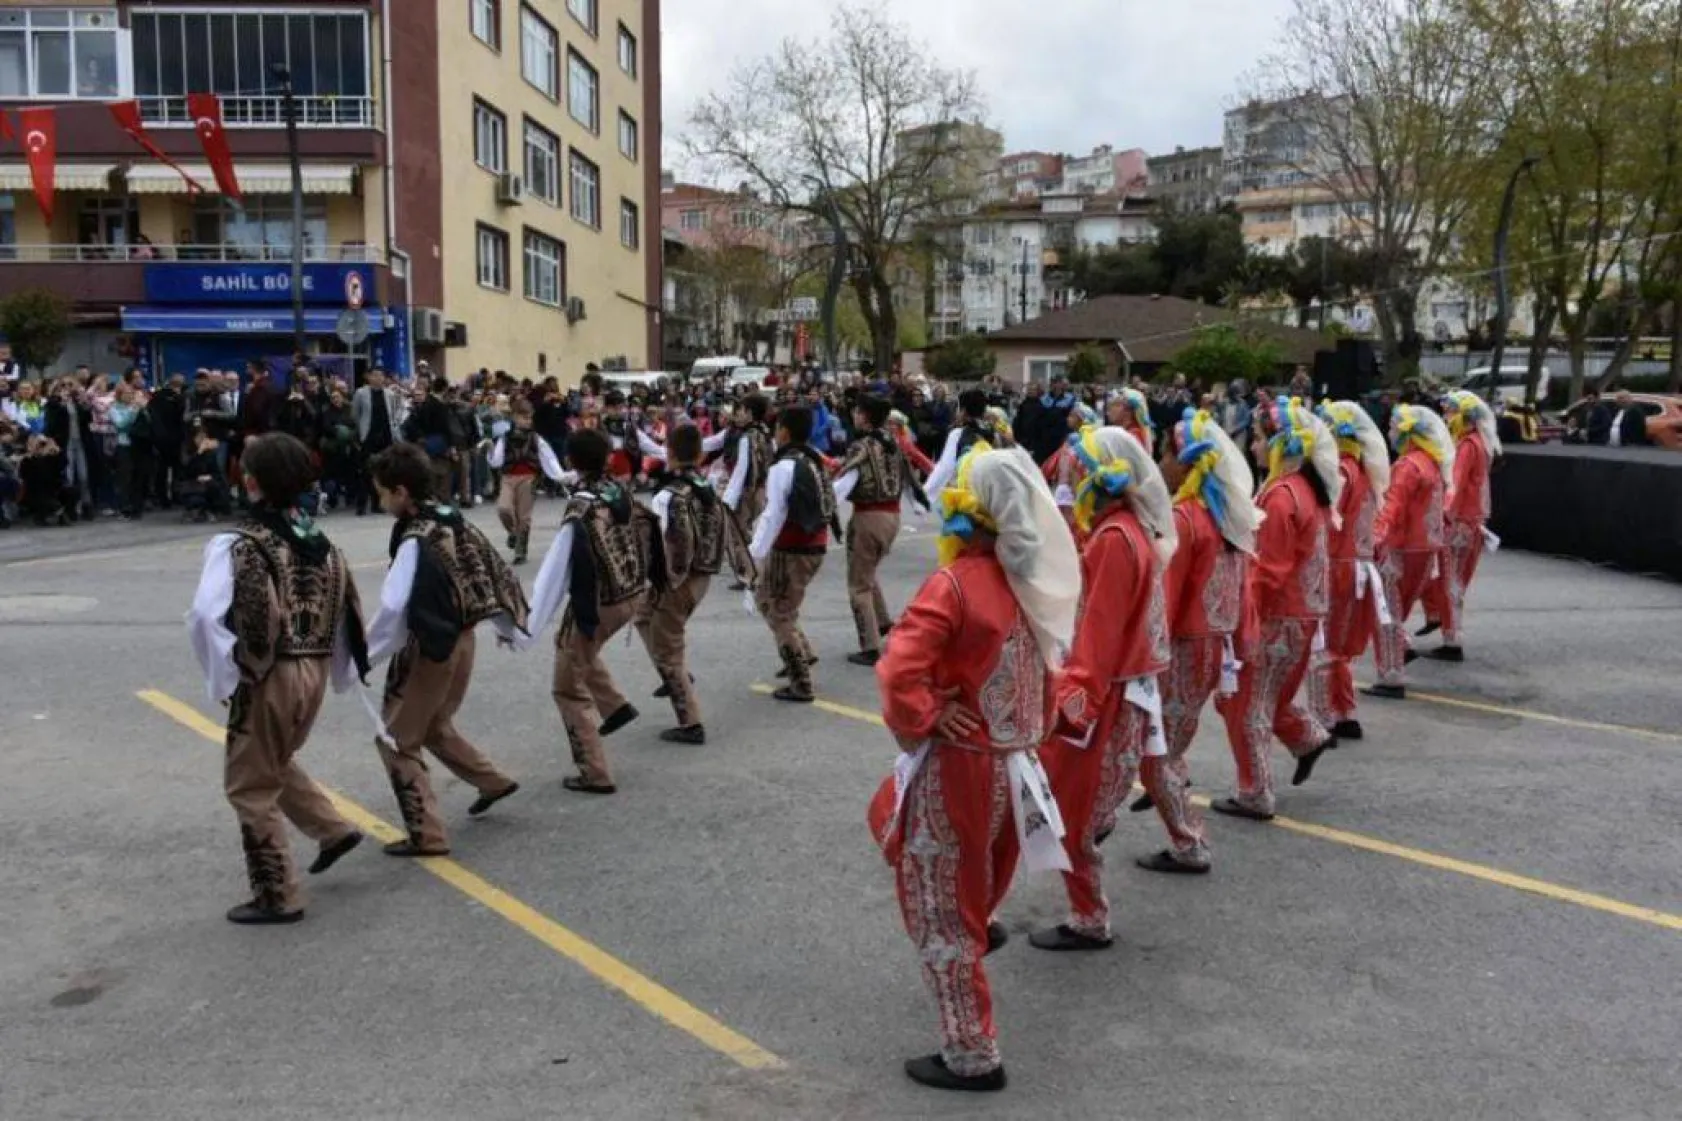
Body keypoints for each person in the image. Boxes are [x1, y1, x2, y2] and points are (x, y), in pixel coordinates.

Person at [865, 445, 1080, 1093]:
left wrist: (927, 710)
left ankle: (971, 1049)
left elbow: (899, 669)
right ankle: (974, 963)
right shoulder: (1030, 579)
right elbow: (1053, 671)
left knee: (939, 905)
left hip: (961, 765)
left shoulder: (956, 583)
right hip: (1014, 764)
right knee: (973, 881)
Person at [185, 433, 369, 924]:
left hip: (269, 671)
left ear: (250, 481)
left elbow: (206, 616)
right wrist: (341, 672)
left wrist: (228, 677)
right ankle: (332, 829)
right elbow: (349, 611)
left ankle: (277, 893)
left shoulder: (238, 542)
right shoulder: (324, 544)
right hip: (313, 669)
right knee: (273, 759)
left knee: (249, 783)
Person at [1034, 427, 1175, 950]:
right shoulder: (1127, 527)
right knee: (1078, 809)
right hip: (1125, 687)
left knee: (1071, 811)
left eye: (1077, 468)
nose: (1069, 477)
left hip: (1108, 694)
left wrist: (1070, 707)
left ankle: (1089, 917)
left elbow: (1099, 634)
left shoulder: (1115, 539)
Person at [365, 443, 529, 856]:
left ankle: (427, 834)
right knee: (435, 724)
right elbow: (491, 568)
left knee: (396, 739)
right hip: (465, 638)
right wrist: (507, 624)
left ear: (401, 492)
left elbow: (393, 608)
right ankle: (492, 780)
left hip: (431, 646)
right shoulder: (451, 518)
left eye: (382, 492)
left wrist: (360, 656)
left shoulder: (414, 538)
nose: (380, 499)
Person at [1131, 408, 1262, 874]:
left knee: (1156, 750)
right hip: (1214, 645)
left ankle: (1188, 841)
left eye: (1166, 454)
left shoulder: (1187, 519)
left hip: (1184, 646)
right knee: (1167, 746)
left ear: (1185, 464)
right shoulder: (1225, 516)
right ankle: (1176, 817)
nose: (1160, 463)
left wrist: (1143, 654)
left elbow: (1166, 599)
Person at [1214, 397, 1340, 822]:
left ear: (1281, 445)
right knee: (1263, 698)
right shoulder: (1306, 490)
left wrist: (1241, 622)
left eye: (1259, 440)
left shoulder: (1282, 496)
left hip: (1276, 617)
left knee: (1246, 704)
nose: (1253, 448)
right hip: (1300, 615)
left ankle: (1256, 792)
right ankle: (1306, 737)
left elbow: (1269, 571)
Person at [518, 429, 649, 794]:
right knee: (575, 650)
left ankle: (594, 772)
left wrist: (526, 624)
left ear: (572, 462)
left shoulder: (581, 507)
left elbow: (556, 572)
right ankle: (614, 704)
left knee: (566, 686)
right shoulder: (618, 489)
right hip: (629, 593)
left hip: (599, 601)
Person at [634, 424, 725, 744]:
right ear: (700, 454)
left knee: (668, 647)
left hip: (675, 579)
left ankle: (690, 721)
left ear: (668, 453)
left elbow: (655, 543)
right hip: (702, 574)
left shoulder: (667, 495)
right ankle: (674, 675)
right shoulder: (705, 486)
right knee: (643, 617)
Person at [1308, 401, 1391, 741]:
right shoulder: (1364, 472)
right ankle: (1344, 710)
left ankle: (1323, 716)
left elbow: (1328, 521)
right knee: (1339, 646)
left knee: (1322, 644)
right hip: (1358, 566)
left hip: (1338, 566)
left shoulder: (1341, 473)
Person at [749, 405, 839, 703]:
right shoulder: (814, 459)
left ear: (784, 432)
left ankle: (801, 681)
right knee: (767, 600)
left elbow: (773, 514)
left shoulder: (784, 466)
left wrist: (754, 554)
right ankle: (802, 652)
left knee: (779, 611)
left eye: (777, 429)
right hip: (813, 544)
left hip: (792, 547)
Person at [1364, 404, 1455, 701]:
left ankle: (1391, 673)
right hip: (1425, 548)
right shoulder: (1432, 463)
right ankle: (1401, 648)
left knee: (1386, 612)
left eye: (1393, 427)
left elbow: (1393, 506)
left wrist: (1376, 537)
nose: (1389, 433)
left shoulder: (1407, 466)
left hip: (1400, 549)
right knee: (1398, 608)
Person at [832, 394, 930, 667]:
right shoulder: (893, 444)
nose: (854, 416)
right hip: (892, 517)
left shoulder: (861, 447)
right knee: (868, 572)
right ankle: (884, 622)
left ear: (864, 416)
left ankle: (870, 646)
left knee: (858, 585)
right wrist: (922, 505)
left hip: (868, 517)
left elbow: (844, 483)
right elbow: (911, 482)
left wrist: (824, 507)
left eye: (857, 412)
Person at [1419, 390, 1501, 663]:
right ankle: (1445, 627)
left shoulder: (1467, 446)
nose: (1447, 417)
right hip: (1471, 520)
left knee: (1449, 580)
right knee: (1453, 580)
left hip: (1459, 522)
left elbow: (1456, 483)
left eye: (1451, 412)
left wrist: (1443, 514)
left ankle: (1451, 636)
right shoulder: (1479, 443)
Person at [487, 398, 566, 564]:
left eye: (530, 418)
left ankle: (520, 550)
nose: (528, 421)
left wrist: (561, 476)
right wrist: (489, 449)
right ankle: (513, 533)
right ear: (515, 417)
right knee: (504, 509)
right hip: (508, 478)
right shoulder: (505, 438)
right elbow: (496, 462)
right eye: (524, 417)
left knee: (524, 517)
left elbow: (549, 459)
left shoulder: (536, 439)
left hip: (528, 479)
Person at [721, 394, 776, 591]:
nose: (739, 414)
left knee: (737, 533)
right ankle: (760, 571)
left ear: (750, 413)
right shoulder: (766, 433)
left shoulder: (746, 437)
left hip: (747, 490)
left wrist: (728, 497)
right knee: (755, 531)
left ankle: (748, 574)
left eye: (742, 410)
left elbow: (741, 469)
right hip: (763, 488)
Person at [925, 389, 1002, 497]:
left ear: (963, 411)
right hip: (988, 490)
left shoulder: (958, 434)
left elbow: (945, 467)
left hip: (964, 492)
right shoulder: (993, 432)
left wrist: (926, 494)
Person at [353, 368, 402, 515]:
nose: (378, 378)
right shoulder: (361, 393)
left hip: (386, 437)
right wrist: (361, 432)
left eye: (381, 375)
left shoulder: (389, 394)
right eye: (375, 375)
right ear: (369, 377)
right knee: (365, 471)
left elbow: (394, 413)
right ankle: (361, 505)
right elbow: (355, 414)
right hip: (368, 436)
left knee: (382, 471)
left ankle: (378, 503)